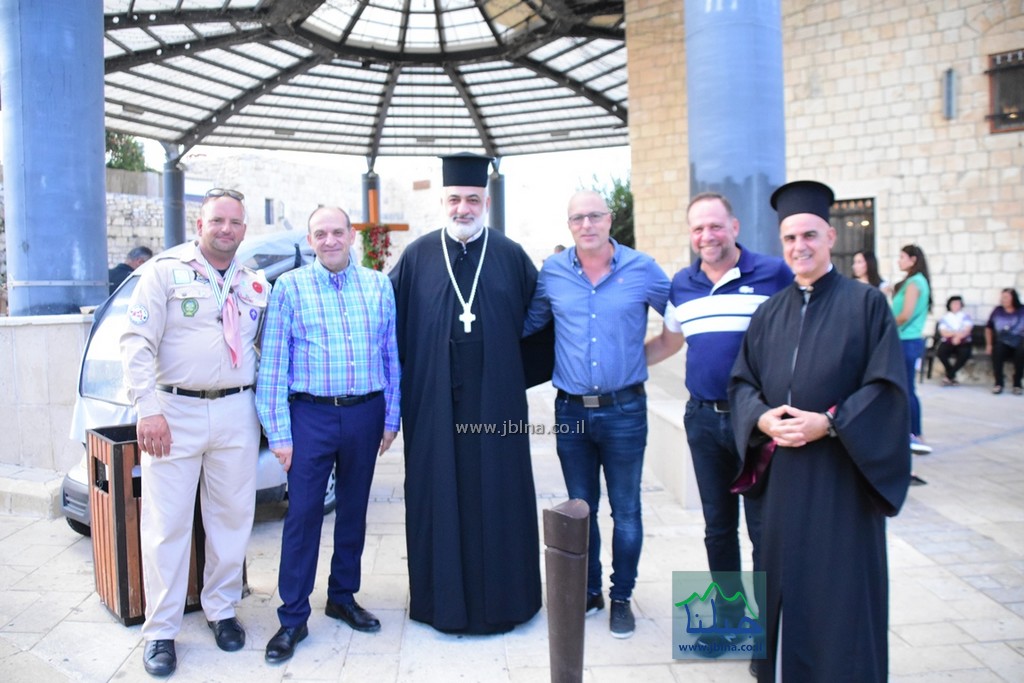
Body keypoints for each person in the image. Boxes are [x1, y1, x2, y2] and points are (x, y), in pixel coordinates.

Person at [730, 180, 911, 682]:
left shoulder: (866, 305)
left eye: (809, 235)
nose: (799, 246)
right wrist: (761, 418)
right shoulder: (769, 313)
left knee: (841, 588)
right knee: (780, 582)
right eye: (790, 238)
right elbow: (742, 383)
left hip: (841, 478)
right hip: (783, 479)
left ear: (830, 237)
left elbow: (886, 387)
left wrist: (829, 424)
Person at [389, 153, 543, 634]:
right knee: (438, 493)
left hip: (497, 401)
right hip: (434, 405)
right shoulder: (417, 257)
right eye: (455, 199)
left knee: (500, 493)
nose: (463, 208)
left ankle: (507, 603)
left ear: (486, 203)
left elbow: (542, 323)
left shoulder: (511, 255)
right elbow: (389, 329)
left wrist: (512, 375)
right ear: (443, 201)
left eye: (473, 199)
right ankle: (441, 604)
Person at [121, 188, 269, 677]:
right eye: (217, 220)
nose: (226, 229)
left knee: (232, 517)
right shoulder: (164, 272)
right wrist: (147, 409)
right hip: (174, 412)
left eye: (235, 222)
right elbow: (136, 342)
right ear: (200, 224)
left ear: (244, 229)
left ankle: (221, 610)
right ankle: (161, 631)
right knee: (167, 524)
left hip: (236, 411)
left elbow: (266, 350)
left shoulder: (255, 283)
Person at [644, 192, 791, 654]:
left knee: (763, 531)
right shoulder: (682, 284)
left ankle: (768, 633)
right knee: (718, 528)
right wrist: (615, 366)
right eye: (697, 228)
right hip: (703, 421)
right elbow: (668, 343)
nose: (706, 236)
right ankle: (730, 623)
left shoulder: (773, 273)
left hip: (758, 424)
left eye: (715, 226)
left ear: (734, 227)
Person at [255, 206, 400, 663]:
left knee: (354, 511)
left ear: (352, 235)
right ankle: (292, 617)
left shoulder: (378, 285)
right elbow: (273, 364)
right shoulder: (290, 288)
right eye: (321, 233)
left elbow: (390, 354)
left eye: (338, 231)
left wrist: (391, 418)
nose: (330, 240)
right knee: (302, 516)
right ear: (310, 240)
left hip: (365, 413)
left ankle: (342, 597)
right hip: (310, 417)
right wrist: (279, 434)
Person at [525, 190, 670, 638]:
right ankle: (589, 591)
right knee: (581, 508)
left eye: (594, 216)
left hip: (625, 411)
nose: (586, 225)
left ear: (610, 219)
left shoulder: (642, 269)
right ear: (569, 225)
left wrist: (636, 360)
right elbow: (527, 324)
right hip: (571, 412)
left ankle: (621, 597)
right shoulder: (552, 273)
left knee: (626, 510)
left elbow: (679, 323)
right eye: (577, 218)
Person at [892, 244, 933, 455]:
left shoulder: (914, 282)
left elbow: (905, 315)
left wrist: (884, 325)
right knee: (905, 389)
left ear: (913, 259)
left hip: (906, 341)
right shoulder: (916, 281)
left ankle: (914, 433)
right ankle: (909, 432)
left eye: (902, 257)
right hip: (908, 340)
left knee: (906, 390)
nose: (899, 261)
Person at [985, 287, 1024, 395]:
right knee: (997, 350)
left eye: (1006, 297)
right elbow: (989, 328)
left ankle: (1017, 384)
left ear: (1013, 298)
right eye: (1002, 297)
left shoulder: (1022, 310)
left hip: (1020, 342)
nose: (1003, 299)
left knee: (1021, 352)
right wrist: (989, 345)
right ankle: (999, 383)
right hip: (1003, 342)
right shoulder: (997, 311)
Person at [936, 295, 973, 386]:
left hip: (963, 341)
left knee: (965, 353)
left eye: (958, 303)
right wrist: (954, 335)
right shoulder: (945, 317)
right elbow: (943, 332)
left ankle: (949, 376)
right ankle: (951, 375)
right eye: (954, 303)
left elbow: (967, 330)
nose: (956, 305)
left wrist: (958, 337)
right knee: (941, 352)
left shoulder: (965, 316)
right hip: (949, 341)